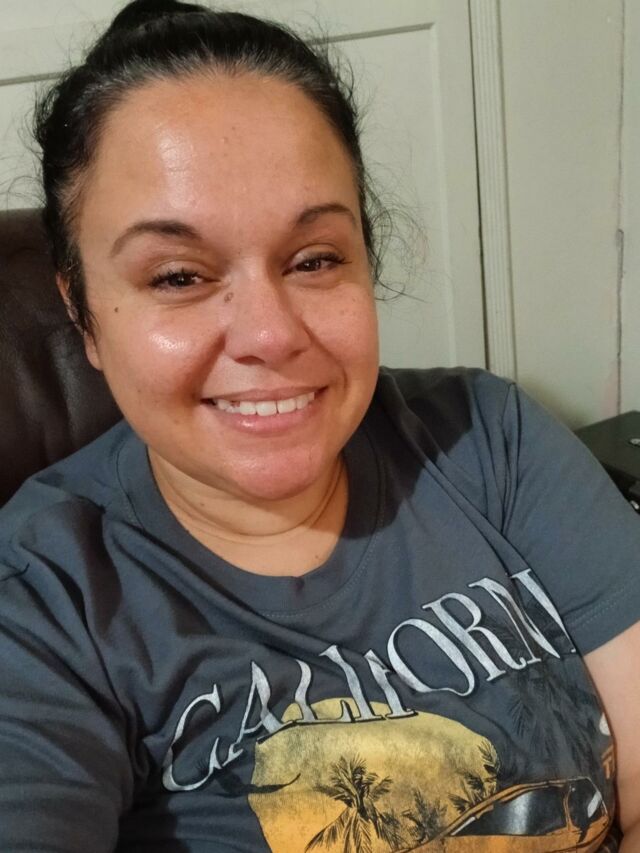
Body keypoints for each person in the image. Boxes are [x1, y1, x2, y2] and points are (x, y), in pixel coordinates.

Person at [0, 1, 639, 850]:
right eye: (180, 276)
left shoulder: (490, 438)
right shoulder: (47, 597)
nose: (270, 335)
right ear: (82, 311)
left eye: (314, 259)